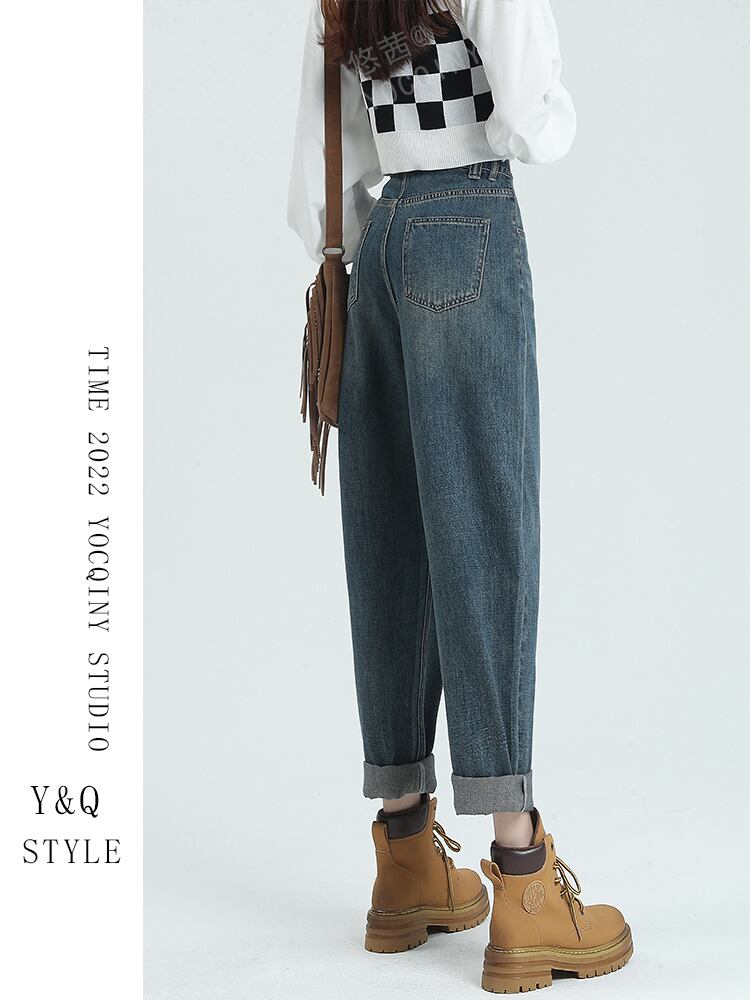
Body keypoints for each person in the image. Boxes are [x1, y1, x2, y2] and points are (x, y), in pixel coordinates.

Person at [288, 1, 632, 991]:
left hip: (379, 239)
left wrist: (362, 234)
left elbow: (318, 158)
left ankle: (405, 854)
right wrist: (560, 111)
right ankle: (522, 879)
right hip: (470, 218)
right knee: (485, 528)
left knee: (388, 537)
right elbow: (528, 117)